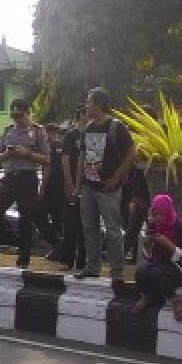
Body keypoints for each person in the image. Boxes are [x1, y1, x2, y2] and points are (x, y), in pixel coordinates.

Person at [0, 98, 49, 269]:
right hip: (10, 178)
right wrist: (7, 155)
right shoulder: (8, 131)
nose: (16, 119)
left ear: (27, 113)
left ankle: (23, 260)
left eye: (19, 115)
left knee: (25, 220)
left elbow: (47, 159)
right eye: (13, 115)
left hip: (27, 178)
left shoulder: (38, 131)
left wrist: (27, 154)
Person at [75, 87, 135, 280]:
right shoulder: (89, 128)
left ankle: (117, 272)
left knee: (113, 230)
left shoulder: (116, 126)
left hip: (109, 187)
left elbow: (131, 154)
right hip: (89, 185)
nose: (86, 105)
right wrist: (78, 186)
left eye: (89, 102)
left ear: (99, 104)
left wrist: (116, 179)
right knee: (89, 227)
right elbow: (84, 158)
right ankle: (92, 267)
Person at [133, 194, 182, 319]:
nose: (158, 218)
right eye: (155, 215)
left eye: (161, 214)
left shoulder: (181, 228)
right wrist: (146, 247)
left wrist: (169, 245)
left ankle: (175, 300)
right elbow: (149, 257)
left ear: (168, 212)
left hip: (181, 269)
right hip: (160, 264)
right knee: (141, 272)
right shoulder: (154, 226)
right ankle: (148, 296)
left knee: (158, 272)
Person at [55, 108, 87, 270]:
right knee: (70, 224)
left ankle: (82, 260)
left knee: (85, 225)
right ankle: (66, 259)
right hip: (73, 183)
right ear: (80, 115)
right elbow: (65, 159)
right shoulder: (71, 135)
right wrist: (69, 183)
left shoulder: (92, 133)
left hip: (87, 185)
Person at [37, 124, 65, 253]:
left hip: (51, 187)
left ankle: (56, 244)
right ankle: (58, 247)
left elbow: (48, 168)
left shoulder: (49, 147)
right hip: (62, 188)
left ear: (49, 133)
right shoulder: (63, 146)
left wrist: (42, 188)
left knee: (39, 215)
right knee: (57, 218)